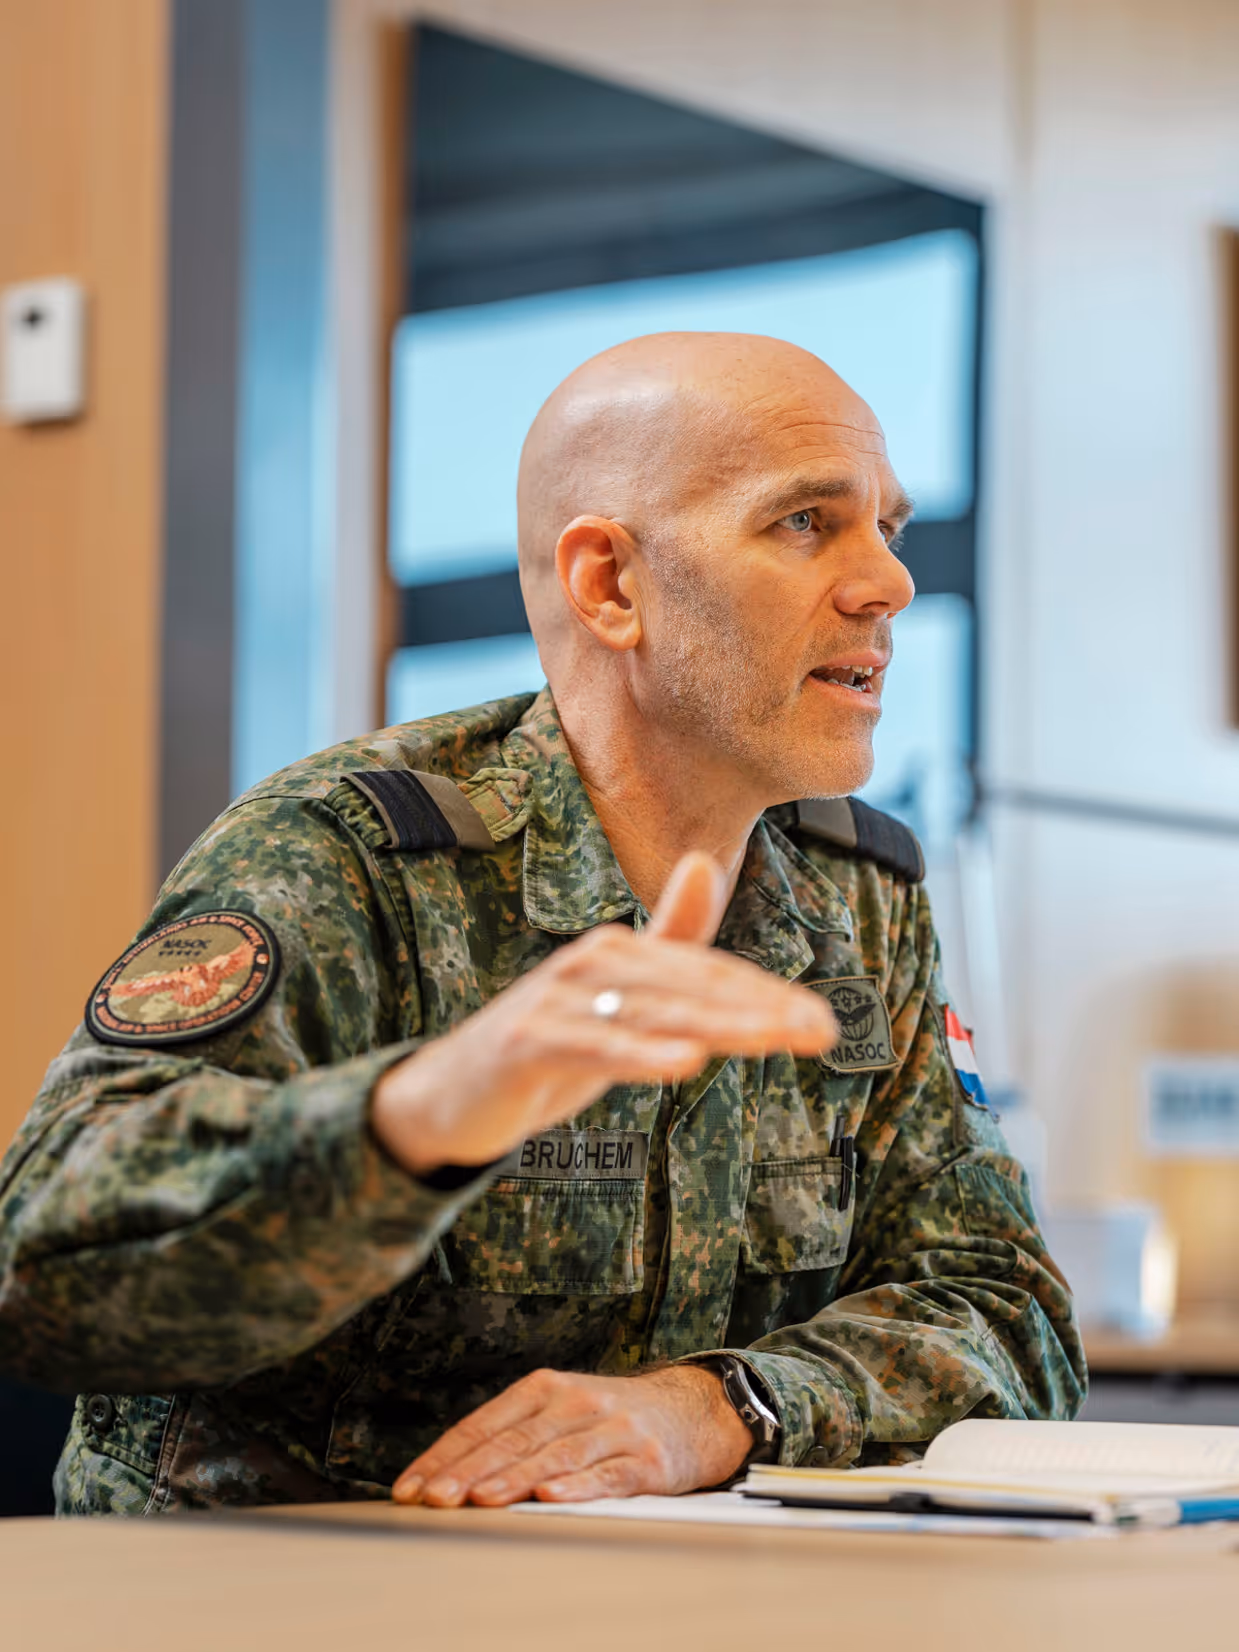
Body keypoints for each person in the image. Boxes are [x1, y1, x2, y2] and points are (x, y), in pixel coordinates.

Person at [0, 333, 1084, 1516]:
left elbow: (1005, 1308)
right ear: (611, 586)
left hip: (659, 1595)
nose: (891, 582)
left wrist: (725, 1404)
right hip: (273, 1598)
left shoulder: (861, 896)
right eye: (806, 523)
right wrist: (421, 1114)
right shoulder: (352, 855)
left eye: (892, 525)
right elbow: (41, 1265)